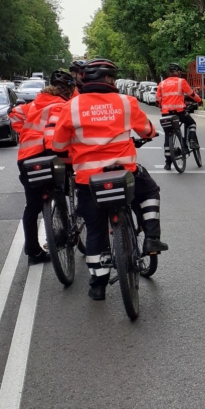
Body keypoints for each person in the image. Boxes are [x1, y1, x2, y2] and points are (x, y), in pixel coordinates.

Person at [51, 58, 167, 300]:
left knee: (94, 230)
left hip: (87, 180)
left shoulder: (71, 107)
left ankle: (98, 284)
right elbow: (147, 130)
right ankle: (152, 239)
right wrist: (148, 133)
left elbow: (59, 145)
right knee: (149, 191)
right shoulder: (126, 102)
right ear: (108, 79)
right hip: (124, 173)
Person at [10, 69, 76, 264]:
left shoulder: (33, 104)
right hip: (49, 155)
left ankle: (33, 251)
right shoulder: (63, 106)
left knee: (32, 205)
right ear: (68, 90)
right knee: (61, 188)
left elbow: (14, 115)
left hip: (27, 158)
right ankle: (64, 232)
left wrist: (26, 132)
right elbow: (53, 136)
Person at [155, 62, 201, 170]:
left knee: (168, 134)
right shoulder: (181, 82)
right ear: (178, 72)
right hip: (179, 112)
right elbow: (191, 94)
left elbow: (157, 100)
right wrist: (200, 100)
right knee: (191, 123)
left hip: (166, 113)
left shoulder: (161, 84)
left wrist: (162, 107)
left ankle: (168, 163)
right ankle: (192, 141)